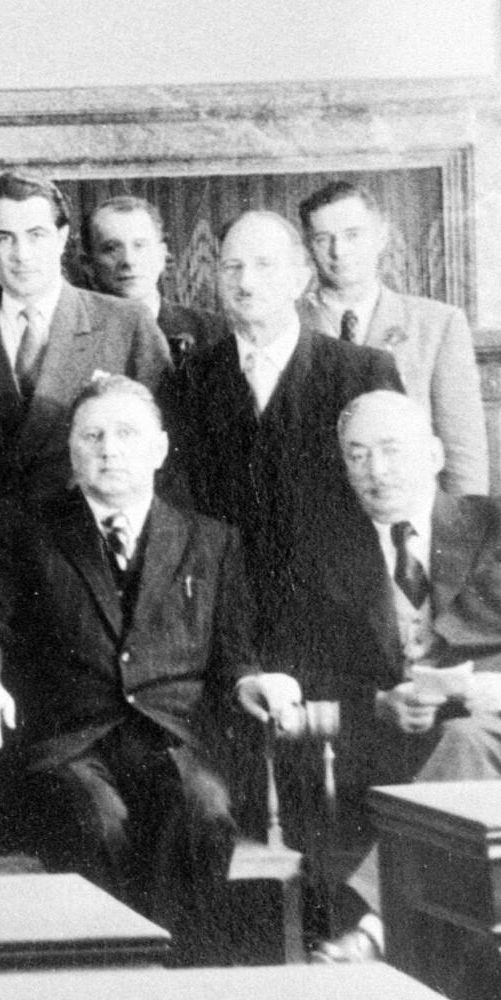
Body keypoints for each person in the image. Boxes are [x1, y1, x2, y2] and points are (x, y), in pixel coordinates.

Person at [0, 377, 303, 942]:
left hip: (172, 740)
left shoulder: (210, 541)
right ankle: (115, 971)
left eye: (126, 434)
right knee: (94, 820)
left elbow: (235, 658)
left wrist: (253, 682)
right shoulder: (26, 530)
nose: (109, 449)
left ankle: (177, 968)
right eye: (93, 436)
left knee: (204, 811)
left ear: (159, 449)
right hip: (68, 745)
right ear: (72, 452)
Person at [308, 391, 501, 962]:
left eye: (390, 450)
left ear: (433, 454)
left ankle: (373, 927)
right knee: (446, 750)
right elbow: (309, 668)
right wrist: (380, 702)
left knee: (465, 740)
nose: (376, 471)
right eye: (357, 455)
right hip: (397, 748)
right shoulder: (326, 554)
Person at [158, 208, 406, 700]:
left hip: (340, 628)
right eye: (232, 267)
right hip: (231, 630)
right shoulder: (189, 380)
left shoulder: (361, 372)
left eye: (264, 265)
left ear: (300, 277)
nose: (245, 282)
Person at [0, 173, 170, 580]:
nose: (22, 254)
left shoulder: (126, 324)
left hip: (94, 560)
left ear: (62, 237)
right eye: (4, 238)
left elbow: (169, 460)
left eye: (36, 235)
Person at [298, 181, 492, 495]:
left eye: (352, 235)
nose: (338, 251)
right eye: (323, 238)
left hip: (408, 510)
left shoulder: (437, 325)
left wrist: (460, 522)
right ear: (308, 246)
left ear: (381, 236)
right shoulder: (286, 327)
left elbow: (463, 454)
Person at [85, 195, 219, 365]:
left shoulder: (212, 332)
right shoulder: (74, 337)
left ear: (161, 255)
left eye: (139, 245)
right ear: (88, 265)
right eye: (111, 248)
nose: (128, 261)